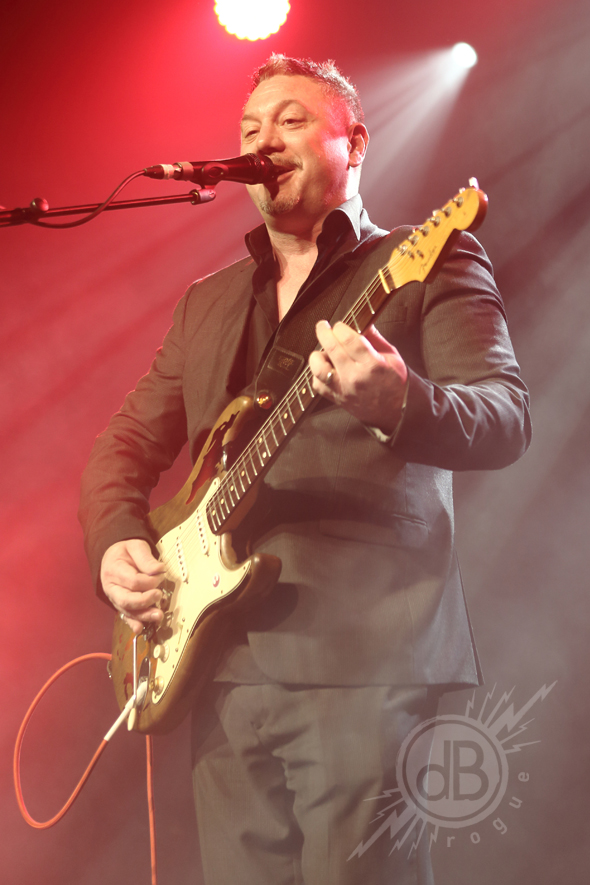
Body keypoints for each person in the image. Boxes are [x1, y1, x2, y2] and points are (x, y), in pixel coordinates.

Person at [79, 55, 531, 885]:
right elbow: (122, 446)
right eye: (249, 128)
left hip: (363, 657)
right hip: (218, 668)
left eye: (290, 121)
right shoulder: (208, 302)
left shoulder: (428, 257)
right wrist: (114, 543)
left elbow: (505, 418)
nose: (263, 141)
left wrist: (401, 400)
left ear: (354, 143)